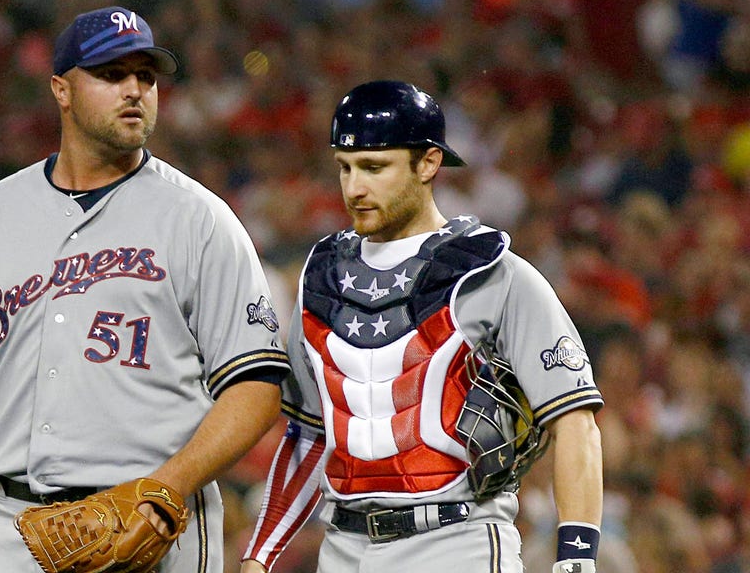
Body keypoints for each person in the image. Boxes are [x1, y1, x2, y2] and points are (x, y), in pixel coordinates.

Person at [0, 6, 289, 573]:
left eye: (145, 76)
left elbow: (255, 386)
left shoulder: (201, 220)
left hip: (149, 522)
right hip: (4, 527)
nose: (134, 90)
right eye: (110, 74)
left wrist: (167, 488)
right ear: (62, 89)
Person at [239, 81, 604, 573]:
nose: (354, 187)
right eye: (345, 168)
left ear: (429, 162)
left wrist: (576, 562)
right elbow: (307, 434)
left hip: (457, 542)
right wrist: (260, 556)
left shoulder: (493, 271)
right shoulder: (321, 275)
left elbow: (575, 421)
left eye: (374, 167)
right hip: (343, 546)